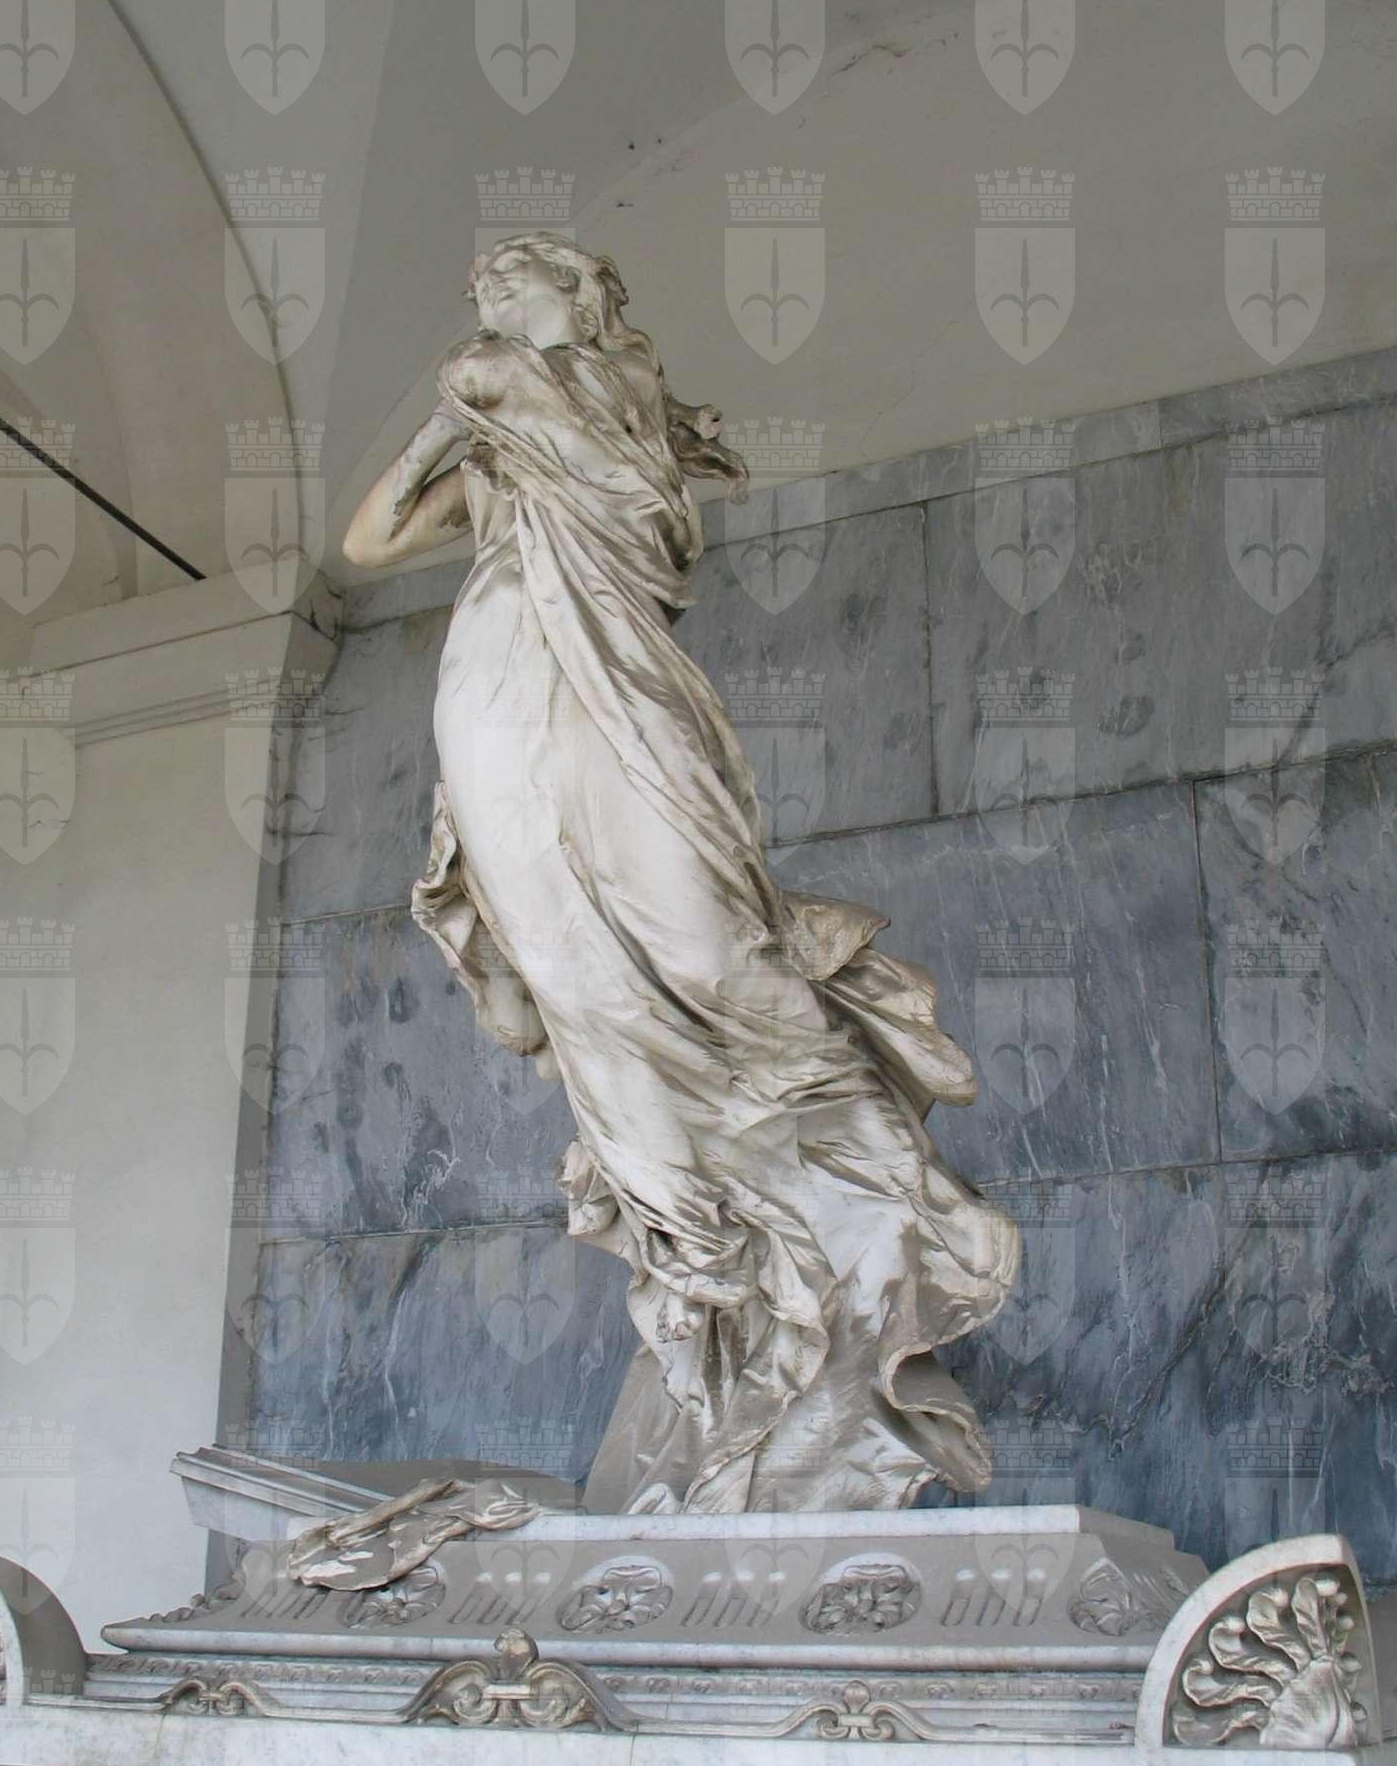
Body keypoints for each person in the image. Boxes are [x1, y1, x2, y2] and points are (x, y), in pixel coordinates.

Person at [344, 233, 1017, 1515]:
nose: (488, 291)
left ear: (585, 294)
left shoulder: (615, 394)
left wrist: (494, 386)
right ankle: (705, 1277)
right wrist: (449, 420)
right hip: (496, 679)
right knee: (574, 981)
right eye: (479, 283)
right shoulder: (493, 431)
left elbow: (642, 510)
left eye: (517, 274)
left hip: (621, 684)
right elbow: (369, 538)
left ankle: (870, 1181)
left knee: (712, 950)